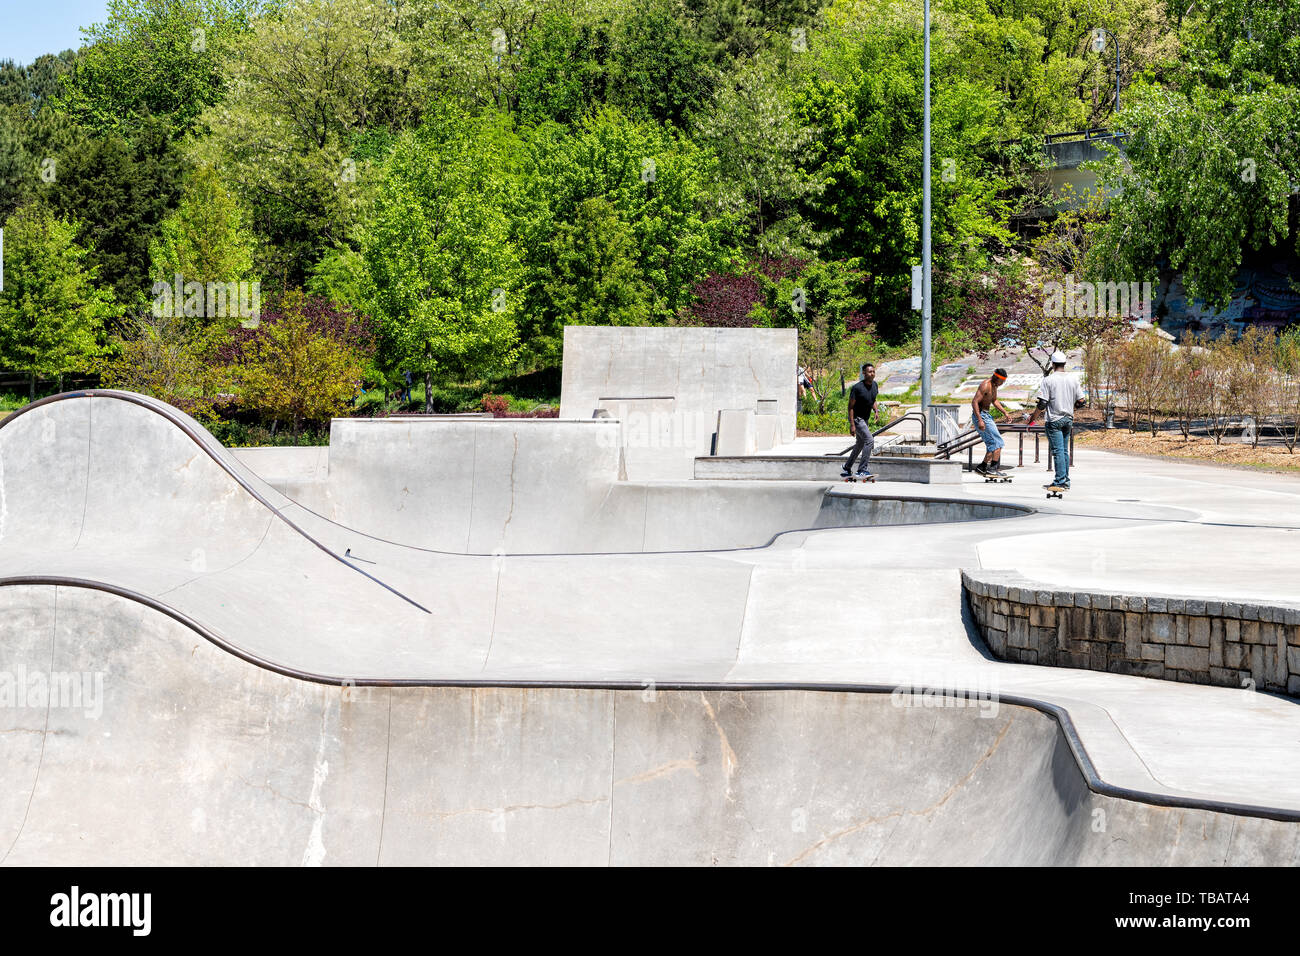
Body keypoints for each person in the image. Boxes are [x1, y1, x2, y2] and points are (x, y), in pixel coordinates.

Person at [1026, 351, 1086, 492]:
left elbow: (1042, 404)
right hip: (1068, 419)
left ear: (1053, 364)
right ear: (1064, 364)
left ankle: (1059, 481)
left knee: (1058, 451)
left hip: (1054, 420)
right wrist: (1071, 409)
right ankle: (1065, 480)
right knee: (1064, 451)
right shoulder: (1073, 379)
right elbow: (1082, 402)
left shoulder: (1048, 380)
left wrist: (1032, 418)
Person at [971, 368, 1012, 477]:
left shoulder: (994, 386)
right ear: (997, 378)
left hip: (986, 415)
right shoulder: (985, 385)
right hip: (982, 416)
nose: (1002, 384)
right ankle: (993, 469)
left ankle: (982, 467)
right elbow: (974, 401)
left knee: (991, 445)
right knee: (998, 443)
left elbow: (994, 400)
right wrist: (980, 420)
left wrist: (1005, 413)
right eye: (1002, 381)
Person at [843, 362, 877, 479]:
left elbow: (873, 400)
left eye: (873, 372)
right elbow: (850, 407)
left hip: (865, 419)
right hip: (857, 419)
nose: (872, 374)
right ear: (864, 373)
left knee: (860, 443)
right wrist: (852, 425)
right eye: (869, 372)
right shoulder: (857, 388)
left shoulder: (875, 385)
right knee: (869, 440)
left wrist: (876, 410)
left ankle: (847, 467)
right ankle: (862, 470)